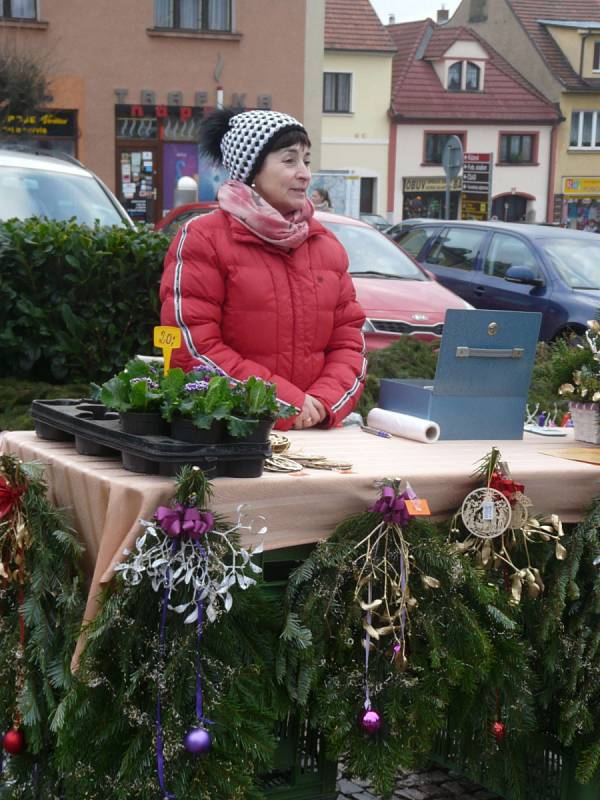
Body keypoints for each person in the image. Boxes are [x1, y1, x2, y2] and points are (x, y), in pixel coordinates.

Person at [160, 108, 366, 431]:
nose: (305, 174)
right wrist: (284, 402)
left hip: (317, 439)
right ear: (251, 170)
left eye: (306, 160)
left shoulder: (327, 247)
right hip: (230, 438)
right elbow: (194, 348)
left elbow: (349, 345)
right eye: (289, 160)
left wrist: (322, 403)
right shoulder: (203, 239)